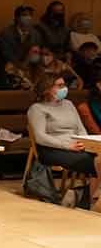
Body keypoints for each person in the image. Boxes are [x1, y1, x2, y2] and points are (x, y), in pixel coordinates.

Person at [29, 74, 99, 206]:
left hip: (77, 146)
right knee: (98, 163)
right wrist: (67, 146)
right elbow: (40, 137)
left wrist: (87, 143)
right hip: (52, 150)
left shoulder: (68, 104)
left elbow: (80, 128)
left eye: (64, 85)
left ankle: (83, 195)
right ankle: (86, 198)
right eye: (60, 86)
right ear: (47, 89)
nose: (64, 88)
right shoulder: (37, 109)